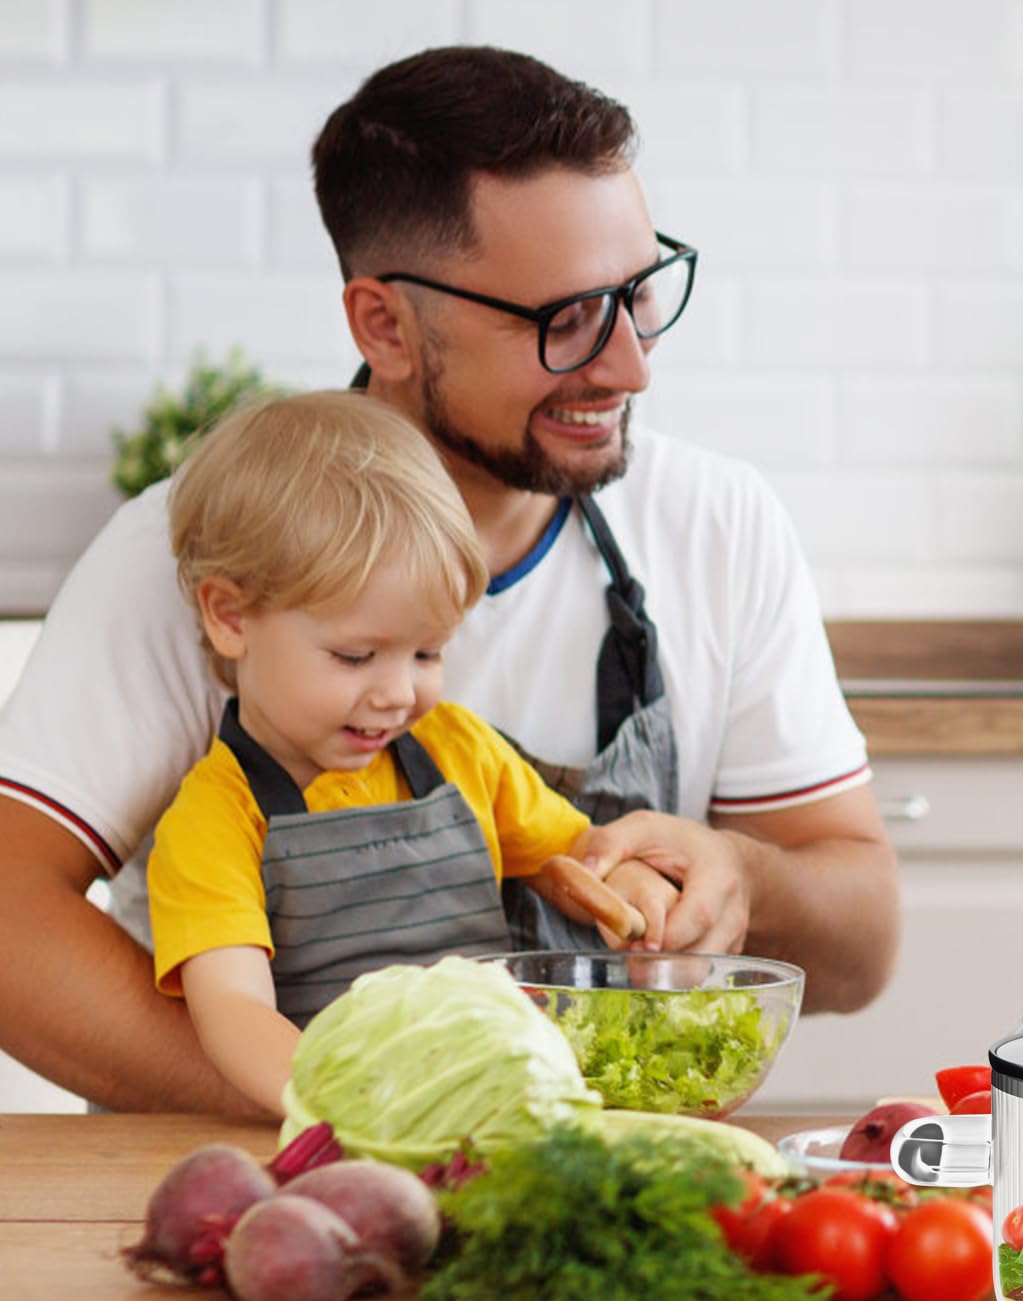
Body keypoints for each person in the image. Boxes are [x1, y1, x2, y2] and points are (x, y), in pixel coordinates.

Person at [0, 46, 899, 1115]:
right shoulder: (194, 546)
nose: (629, 367)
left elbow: (864, 941)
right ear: (384, 324)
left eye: (639, 295)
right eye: (563, 322)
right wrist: (366, 1111)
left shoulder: (716, 523)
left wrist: (742, 877)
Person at [150, 391, 675, 1113]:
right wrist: (361, 1109)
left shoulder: (458, 749)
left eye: (427, 651)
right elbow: (233, 1012)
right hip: (346, 1132)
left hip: (499, 1105)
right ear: (232, 617)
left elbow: (579, 855)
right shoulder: (214, 820)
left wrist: (636, 890)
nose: (398, 693)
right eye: (356, 655)